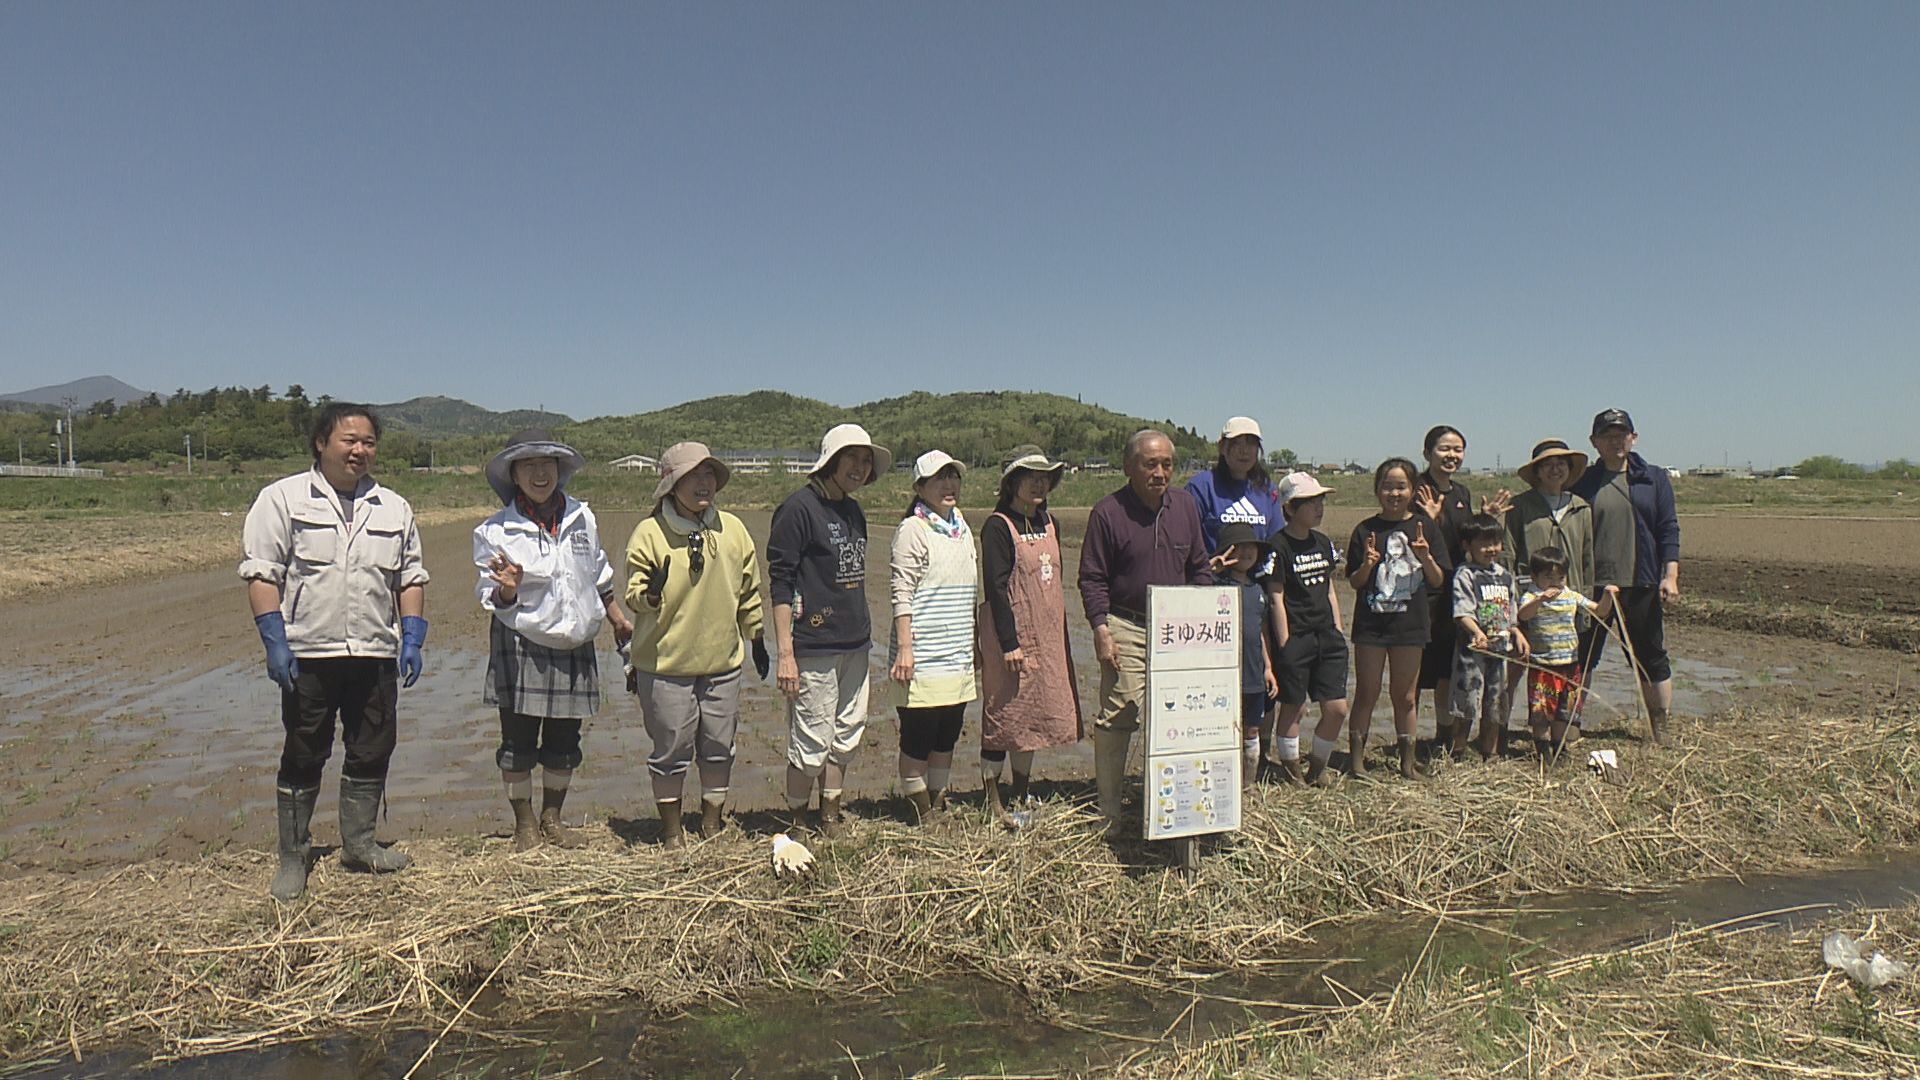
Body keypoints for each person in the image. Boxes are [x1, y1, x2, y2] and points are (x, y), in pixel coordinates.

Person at [240, 402, 429, 901]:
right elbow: (262, 573)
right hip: (309, 653)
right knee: (304, 751)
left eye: (368, 442)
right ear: (321, 443)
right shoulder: (282, 499)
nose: (360, 450)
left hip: (374, 652)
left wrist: (412, 636)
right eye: (349, 440)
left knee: (372, 748)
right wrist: (274, 641)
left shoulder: (393, 507)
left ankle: (359, 845)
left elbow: (409, 577)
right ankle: (293, 854)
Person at [474, 430, 633, 851]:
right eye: (529, 466)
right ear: (514, 474)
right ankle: (525, 824)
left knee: (565, 741)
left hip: (574, 638)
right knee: (517, 742)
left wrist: (618, 619)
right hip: (521, 641)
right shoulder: (495, 531)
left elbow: (598, 574)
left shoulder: (582, 517)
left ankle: (553, 818)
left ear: (560, 471)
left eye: (547, 464)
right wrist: (508, 589)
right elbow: (491, 595)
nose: (540, 473)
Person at [623, 442, 768, 849]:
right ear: (672, 485)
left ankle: (711, 824)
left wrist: (756, 635)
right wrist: (650, 595)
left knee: (719, 745)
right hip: (666, 665)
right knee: (671, 749)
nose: (703, 483)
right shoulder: (650, 533)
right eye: (692, 476)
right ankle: (671, 832)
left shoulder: (733, 529)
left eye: (708, 474)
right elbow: (634, 593)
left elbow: (748, 590)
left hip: (722, 662)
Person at [1078, 429, 1211, 826]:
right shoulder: (1108, 513)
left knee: (1176, 717)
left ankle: (1167, 805)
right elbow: (1092, 578)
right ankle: (1109, 810)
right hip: (1126, 624)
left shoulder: (1185, 506)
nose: (1160, 473)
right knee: (1120, 712)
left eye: (1167, 464)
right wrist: (1101, 629)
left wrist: (1201, 618)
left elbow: (1200, 567)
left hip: (1177, 628)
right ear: (1128, 467)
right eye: (1150, 464)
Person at [768, 424, 890, 835]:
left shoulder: (854, 511)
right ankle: (797, 822)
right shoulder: (798, 509)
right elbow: (781, 583)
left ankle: (830, 816)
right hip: (814, 645)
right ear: (831, 461)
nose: (859, 467)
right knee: (811, 741)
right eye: (851, 457)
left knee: (846, 735)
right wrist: (786, 654)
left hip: (855, 642)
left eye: (866, 460)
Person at [977, 445, 1081, 818]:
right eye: (1031, 478)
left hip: (1047, 636)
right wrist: (1010, 643)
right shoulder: (997, 527)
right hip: (1012, 638)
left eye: (1044, 478)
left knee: (1032, 717)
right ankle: (992, 801)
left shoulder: (1049, 522)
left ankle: (1020, 792)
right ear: (1012, 483)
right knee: (1003, 715)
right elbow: (996, 588)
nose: (1039, 485)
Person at [1570, 409, 1680, 744]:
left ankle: (1660, 726)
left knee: (1650, 657)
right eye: (1607, 435)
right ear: (1594, 442)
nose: (1615, 441)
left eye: (1621, 434)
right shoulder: (1583, 481)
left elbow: (1668, 528)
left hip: (1641, 581)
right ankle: (1571, 722)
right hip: (1592, 586)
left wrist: (1670, 575)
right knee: (1581, 656)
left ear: (1634, 438)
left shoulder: (1653, 478)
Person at [1186, 416, 1284, 771]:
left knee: (1261, 679)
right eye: (1236, 444)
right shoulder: (1201, 487)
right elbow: (1188, 537)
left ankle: (1259, 758)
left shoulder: (1266, 490)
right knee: (1218, 683)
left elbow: (1277, 540)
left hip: (1258, 593)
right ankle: (1216, 757)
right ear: (1222, 447)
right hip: (1214, 595)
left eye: (1251, 444)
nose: (1244, 451)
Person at [888, 450, 979, 824]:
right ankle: (921, 813)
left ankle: (938, 801)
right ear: (920, 487)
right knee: (918, 739)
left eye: (953, 476)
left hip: (956, 655)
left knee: (946, 736)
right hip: (923, 658)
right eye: (939, 478)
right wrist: (905, 649)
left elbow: (971, 592)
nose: (948, 484)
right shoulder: (913, 529)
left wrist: (974, 644)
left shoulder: (962, 527)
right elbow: (901, 591)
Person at [1344, 458, 1448, 779]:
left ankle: (1407, 762)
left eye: (1401, 486)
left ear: (1413, 491)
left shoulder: (1425, 527)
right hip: (1371, 626)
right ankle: (1357, 762)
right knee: (1367, 692)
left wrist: (1424, 556)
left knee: (1405, 697)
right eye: (1387, 486)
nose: (1394, 493)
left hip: (1410, 625)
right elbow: (1354, 582)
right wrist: (1368, 564)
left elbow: (1438, 580)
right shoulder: (1365, 530)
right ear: (1377, 490)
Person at [1412, 427, 1510, 759]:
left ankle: (1445, 735)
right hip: (1424, 590)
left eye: (1458, 449)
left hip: (1457, 589)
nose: (1451, 455)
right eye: (1444, 449)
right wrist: (1430, 519)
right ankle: (1412, 736)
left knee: (1448, 667)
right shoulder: (1417, 490)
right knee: (1419, 670)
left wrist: (1487, 518)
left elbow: (1466, 538)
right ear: (1427, 453)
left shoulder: (1461, 492)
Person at [1498, 439, 1595, 749]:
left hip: (1566, 605)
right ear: (1537, 471)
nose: (1555, 469)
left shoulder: (1581, 508)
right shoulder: (1520, 506)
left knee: (1563, 669)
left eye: (1561, 464)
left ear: (1569, 469)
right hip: (1529, 602)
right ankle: (1498, 729)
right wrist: (1512, 604)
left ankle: (1559, 731)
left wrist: (1585, 603)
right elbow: (1508, 553)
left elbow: (1587, 558)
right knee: (1515, 668)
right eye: (1548, 464)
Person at [1272, 473, 1353, 787]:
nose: (1319, 508)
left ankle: (1318, 768)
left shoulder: (1322, 542)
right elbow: (1276, 598)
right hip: (1297, 637)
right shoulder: (1277, 546)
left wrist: (1338, 628)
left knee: (1337, 708)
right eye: (1310, 503)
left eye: (1321, 501)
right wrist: (1285, 643)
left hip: (1327, 636)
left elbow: (1329, 587)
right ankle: (1292, 772)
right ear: (1290, 508)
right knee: (1294, 707)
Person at [1517, 549, 1618, 760]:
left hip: (1569, 663)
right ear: (1534, 576)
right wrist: (1540, 600)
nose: (1555, 583)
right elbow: (1523, 615)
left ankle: (1559, 747)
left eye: (1560, 578)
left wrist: (1608, 596)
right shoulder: (1531, 596)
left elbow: (1600, 611)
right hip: (1543, 664)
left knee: (1564, 710)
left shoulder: (1571, 595)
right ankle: (1542, 750)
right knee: (1541, 711)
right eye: (1549, 577)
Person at [1449, 514, 1527, 760]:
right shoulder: (1465, 575)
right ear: (1467, 545)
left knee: (1496, 700)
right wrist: (1477, 632)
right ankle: (1458, 752)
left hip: (1500, 651)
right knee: (1467, 699)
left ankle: (1490, 752)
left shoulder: (1504, 575)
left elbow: (1511, 612)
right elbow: (1461, 612)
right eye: (1484, 544)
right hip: (1471, 651)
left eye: (1495, 543)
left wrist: (1516, 632)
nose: (1491, 549)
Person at [1214, 522, 1278, 794]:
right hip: (1224, 675)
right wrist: (1213, 570)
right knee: (1226, 729)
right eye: (1238, 547)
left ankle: (1248, 783)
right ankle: (1223, 782)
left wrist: (1268, 668)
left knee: (1252, 729)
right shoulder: (1215, 586)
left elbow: (1262, 633)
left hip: (1253, 674)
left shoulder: (1258, 590)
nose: (1246, 552)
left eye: (1251, 547)